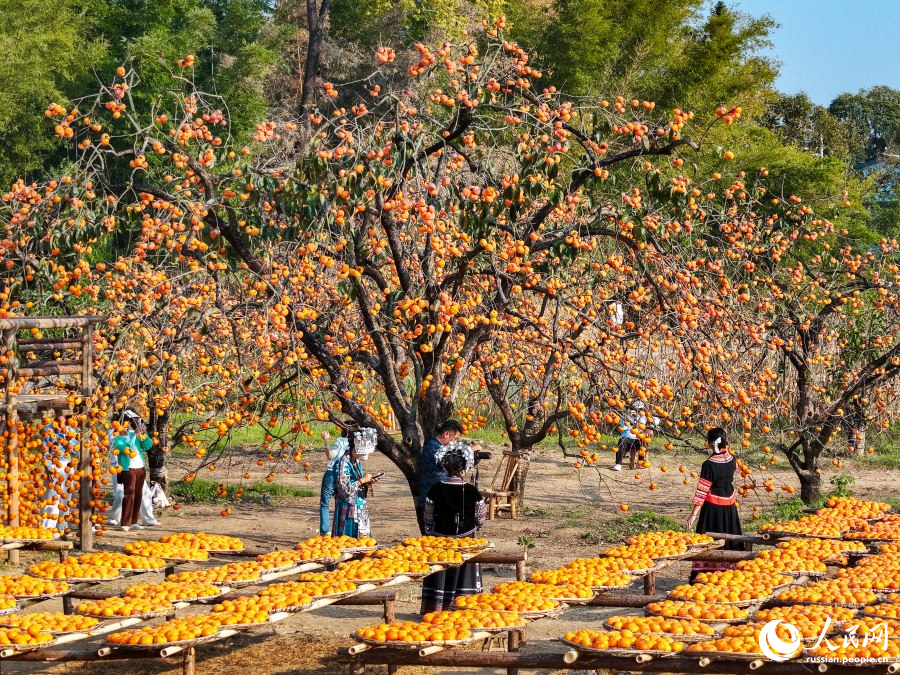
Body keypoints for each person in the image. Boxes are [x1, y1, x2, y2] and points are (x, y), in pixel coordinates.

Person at [420, 445, 487, 613]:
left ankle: (437, 609)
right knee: (463, 573)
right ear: (463, 470)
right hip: (465, 539)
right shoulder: (471, 490)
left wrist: (430, 531)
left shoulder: (435, 488)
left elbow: (427, 514)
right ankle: (462, 609)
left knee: (441, 572)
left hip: (439, 539)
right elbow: (480, 515)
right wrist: (475, 528)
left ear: (445, 467)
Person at [685, 427, 746, 582]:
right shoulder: (732, 459)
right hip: (730, 504)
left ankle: (705, 575)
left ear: (710, 443)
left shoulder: (709, 464)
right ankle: (731, 574)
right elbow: (731, 476)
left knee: (709, 540)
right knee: (730, 536)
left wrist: (694, 514)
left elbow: (702, 490)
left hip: (713, 508)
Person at [109, 410, 153, 532]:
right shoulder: (116, 438)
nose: (126, 426)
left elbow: (147, 446)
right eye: (124, 423)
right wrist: (134, 436)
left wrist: (144, 435)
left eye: (127, 423)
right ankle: (125, 522)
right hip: (128, 469)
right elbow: (127, 449)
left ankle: (134, 521)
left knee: (138, 494)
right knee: (129, 493)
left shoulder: (133, 433)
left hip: (140, 468)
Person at [333, 428, 379, 538]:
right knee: (348, 539)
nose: (364, 454)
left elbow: (358, 481)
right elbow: (344, 488)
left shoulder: (355, 461)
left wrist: (368, 482)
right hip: (348, 506)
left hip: (359, 504)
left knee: (363, 539)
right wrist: (362, 480)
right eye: (363, 452)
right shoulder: (344, 462)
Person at [417, 420, 463, 530]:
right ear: (446, 434)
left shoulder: (440, 448)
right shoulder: (433, 447)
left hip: (441, 500)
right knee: (434, 538)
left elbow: (454, 465)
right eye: (455, 439)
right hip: (432, 501)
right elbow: (449, 461)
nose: (455, 443)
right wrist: (468, 452)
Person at [39, 415, 79, 531]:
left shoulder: (71, 431)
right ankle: (46, 527)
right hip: (53, 466)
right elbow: (44, 451)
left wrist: (67, 441)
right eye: (59, 414)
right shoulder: (48, 429)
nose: (61, 417)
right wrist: (49, 468)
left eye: (63, 414)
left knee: (66, 496)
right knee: (51, 497)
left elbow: (75, 452)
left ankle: (61, 525)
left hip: (67, 465)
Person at [319, 426, 350, 536]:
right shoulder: (357, 443)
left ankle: (325, 532)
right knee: (343, 503)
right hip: (346, 475)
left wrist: (326, 440)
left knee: (325, 504)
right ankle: (341, 531)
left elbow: (330, 456)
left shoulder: (341, 441)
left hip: (332, 473)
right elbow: (364, 457)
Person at [614, 401, 658, 471]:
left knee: (643, 444)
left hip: (638, 438)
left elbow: (656, 420)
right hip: (627, 438)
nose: (637, 411)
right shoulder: (627, 416)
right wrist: (628, 419)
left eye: (640, 409)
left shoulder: (644, 417)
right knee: (621, 442)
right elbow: (622, 427)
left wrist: (650, 428)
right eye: (635, 409)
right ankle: (618, 463)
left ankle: (640, 462)